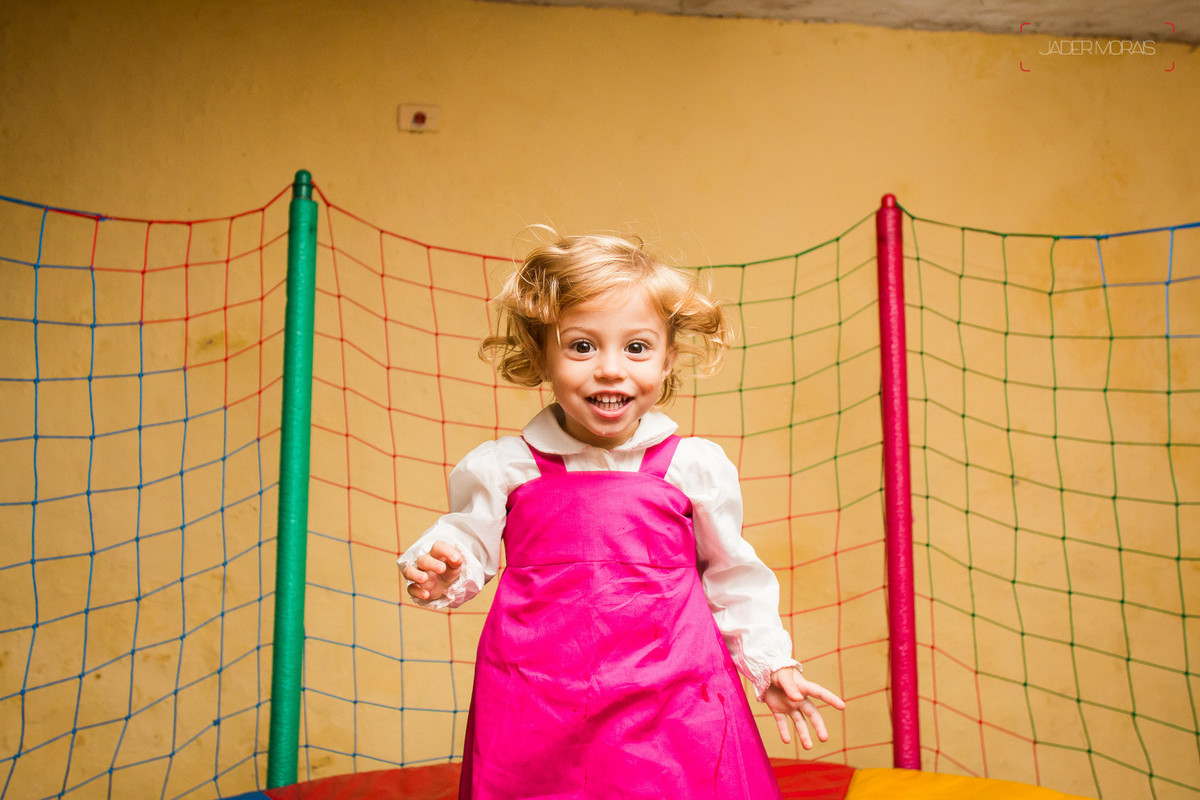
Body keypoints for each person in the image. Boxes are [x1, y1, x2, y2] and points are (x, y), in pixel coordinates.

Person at [399, 231, 845, 799]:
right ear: (542, 356)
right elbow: (466, 540)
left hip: (675, 694)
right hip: (539, 696)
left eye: (636, 347)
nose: (611, 370)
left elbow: (733, 574)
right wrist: (442, 566)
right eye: (582, 346)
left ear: (668, 359)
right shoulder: (509, 466)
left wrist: (769, 664)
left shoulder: (691, 466)